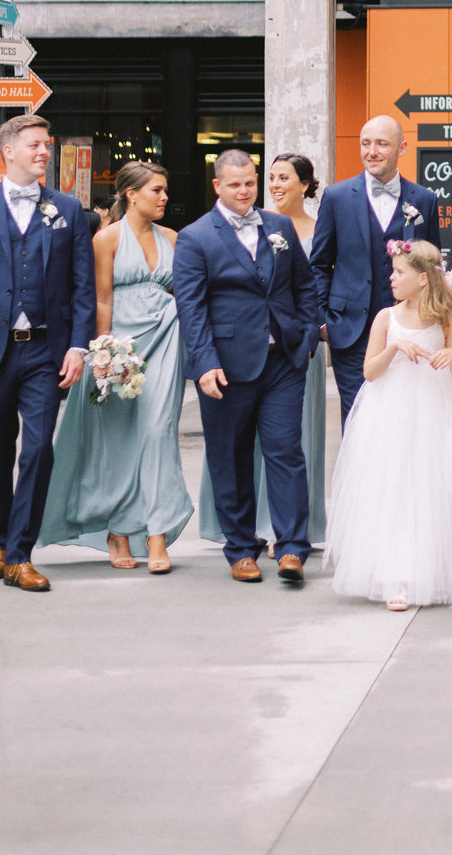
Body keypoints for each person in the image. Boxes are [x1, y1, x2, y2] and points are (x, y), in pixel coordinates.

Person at [174, 148, 320, 584]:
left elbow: (304, 285)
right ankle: (240, 548)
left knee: (286, 451)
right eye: (235, 184)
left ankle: (292, 547)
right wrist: (203, 364)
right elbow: (192, 308)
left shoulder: (279, 227)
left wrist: (308, 334)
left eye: (250, 183)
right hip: (225, 367)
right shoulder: (195, 236)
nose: (245, 191)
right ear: (217, 186)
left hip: (283, 362)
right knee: (230, 457)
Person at [39, 160, 192, 574]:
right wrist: (105, 353)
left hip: (165, 338)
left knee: (158, 433)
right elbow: (101, 298)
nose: (164, 197)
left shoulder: (174, 238)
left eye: (164, 190)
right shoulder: (105, 238)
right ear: (132, 194)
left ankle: (156, 533)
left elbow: (185, 293)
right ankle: (119, 531)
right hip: (120, 346)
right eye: (156, 190)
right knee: (117, 440)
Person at [0, 113, 95, 593]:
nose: (44, 152)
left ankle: (21, 554)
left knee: (39, 448)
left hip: (46, 349)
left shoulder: (67, 208)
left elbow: (82, 286)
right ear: (9, 151)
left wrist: (79, 346)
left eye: (48, 145)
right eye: (36, 145)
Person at [325, 240, 452, 608]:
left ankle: (432, 572)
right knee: (395, 487)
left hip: (435, 407)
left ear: (422, 279)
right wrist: (393, 349)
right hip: (391, 410)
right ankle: (395, 576)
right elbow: (369, 372)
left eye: (399, 272)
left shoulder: (446, 316)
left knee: (432, 487)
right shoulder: (386, 317)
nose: (391, 277)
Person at [310, 116, 442, 429]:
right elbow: (318, 264)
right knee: (358, 419)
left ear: (402, 148)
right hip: (351, 330)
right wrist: (324, 319)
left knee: (407, 421)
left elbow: (432, 265)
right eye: (365, 143)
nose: (372, 151)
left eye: (381, 144)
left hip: (410, 330)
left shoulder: (423, 200)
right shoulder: (337, 197)